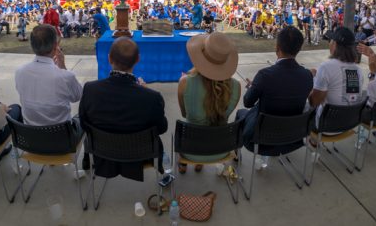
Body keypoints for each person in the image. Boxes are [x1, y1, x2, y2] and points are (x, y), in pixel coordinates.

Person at [79, 37, 167, 181]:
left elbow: (83, 124)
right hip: (140, 155)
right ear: (138, 59)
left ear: (109, 59)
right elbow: (162, 128)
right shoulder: (151, 97)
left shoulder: (90, 89)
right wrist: (145, 92)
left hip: (102, 153)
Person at [236, 26, 313, 166]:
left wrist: (254, 87)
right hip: (293, 136)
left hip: (260, 138)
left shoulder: (265, 75)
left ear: (277, 47)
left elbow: (247, 102)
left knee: (240, 113)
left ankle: (236, 155)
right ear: (299, 49)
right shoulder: (307, 76)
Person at [177, 32, 241, 173]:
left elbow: (184, 113)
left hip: (191, 149)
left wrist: (186, 82)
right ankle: (199, 164)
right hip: (220, 149)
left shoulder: (184, 83)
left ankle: (184, 164)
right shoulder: (237, 86)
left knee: (189, 125)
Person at [15, 25, 83, 127]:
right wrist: (62, 67)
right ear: (55, 46)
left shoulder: (20, 72)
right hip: (62, 136)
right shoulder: (65, 76)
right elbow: (77, 97)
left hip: (30, 135)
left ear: (32, 47)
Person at [309, 27, 364, 126]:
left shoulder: (326, 67)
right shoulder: (358, 70)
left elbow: (314, 102)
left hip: (327, 126)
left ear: (335, 44)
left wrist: (310, 81)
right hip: (349, 124)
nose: (329, 43)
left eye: (330, 41)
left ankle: (312, 140)